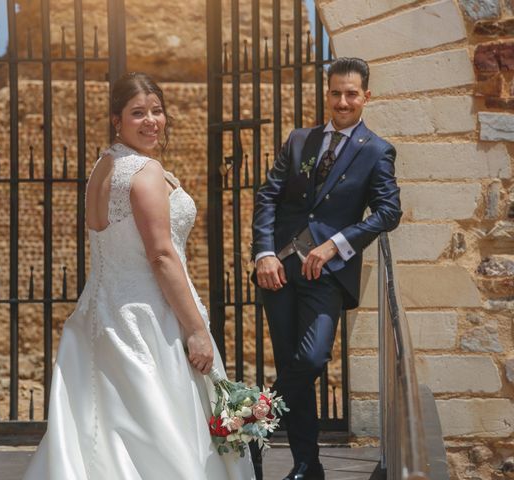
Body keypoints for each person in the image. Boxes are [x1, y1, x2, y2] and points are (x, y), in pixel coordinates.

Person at [23, 72, 255, 480]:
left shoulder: (103, 166)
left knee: (99, 432)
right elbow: (163, 256)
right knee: (161, 434)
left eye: (157, 111)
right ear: (117, 119)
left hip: (100, 315)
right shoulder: (144, 172)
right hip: (148, 321)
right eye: (137, 113)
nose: (151, 121)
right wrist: (196, 330)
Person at [252, 57, 402, 480]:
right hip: (279, 271)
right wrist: (264, 252)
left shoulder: (376, 151)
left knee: (312, 357)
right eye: (335, 92)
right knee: (289, 363)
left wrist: (336, 245)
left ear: (366, 96)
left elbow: (389, 211)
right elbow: (268, 197)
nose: (342, 101)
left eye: (351, 94)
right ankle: (306, 464)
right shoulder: (300, 140)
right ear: (327, 93)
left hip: (327, 275)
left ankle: (252, 421)